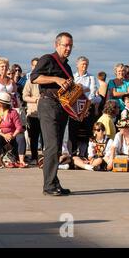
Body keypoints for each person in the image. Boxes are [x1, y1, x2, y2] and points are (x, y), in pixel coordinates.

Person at [30, 32, 75, 196]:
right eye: (65, 45)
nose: (68, 48)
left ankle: (54, 181)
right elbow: (34, 78)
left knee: (57, 147)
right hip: (48, 104)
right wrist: (56, 79)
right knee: (51, 145)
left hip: (62, 107)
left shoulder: (68, 67)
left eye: (70, 45)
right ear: (57, 45)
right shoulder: (47, 59)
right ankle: (48, 186)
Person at [68, 56, 101, 158]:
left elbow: (92, 92)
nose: (84, 66)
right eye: (82, 64)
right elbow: (71, 92)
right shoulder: (73, 77)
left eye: (86, 64)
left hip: (87, 106)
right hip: (74, 108)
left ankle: (87, 154)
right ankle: (73, 154)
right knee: (73, 131)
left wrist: (85, 102)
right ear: (77, 65)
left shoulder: (91, 77)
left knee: (88, 131)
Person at [0, 92, 27, 168]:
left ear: (2, 103)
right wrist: (4, 135)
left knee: (21, 137)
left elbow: (19, 127)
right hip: (2, 136)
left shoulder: (13, 113)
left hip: (13, 136)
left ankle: (21, 161)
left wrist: (12, 136)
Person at [23, 75, 42, 164]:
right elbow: (25, 97)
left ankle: (45, 157)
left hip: (46, 114)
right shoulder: (30, 81)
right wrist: (36, 99)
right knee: (33, 137)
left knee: (46, 137)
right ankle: (34, 156)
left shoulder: (47, 80)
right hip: (33, 113)